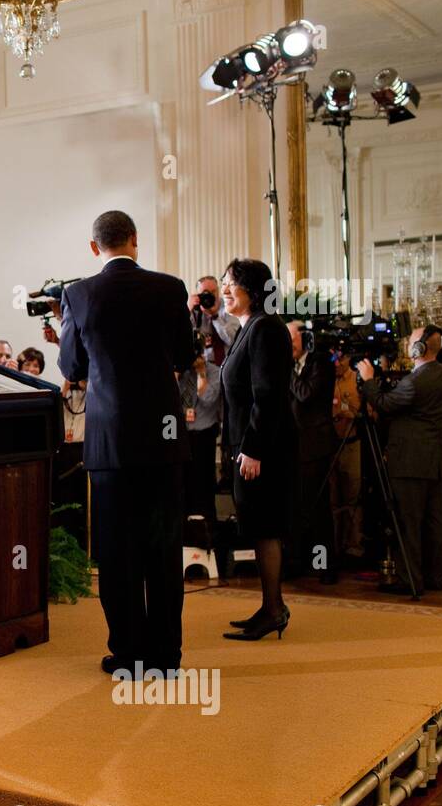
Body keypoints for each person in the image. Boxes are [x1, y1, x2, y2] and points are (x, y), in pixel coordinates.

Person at [57, 210, 193, 674]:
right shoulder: (171, 287)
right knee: (162, 549)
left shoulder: (76, 294)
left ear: (95, 248)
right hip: (163, 439)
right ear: (135, 241)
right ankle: (166, 655)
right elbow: (183, 355)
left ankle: (129, 654)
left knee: (117, 553)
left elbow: (71, 366)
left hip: (110, 442)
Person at [220, 258, 297, 641]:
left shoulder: (266, 328)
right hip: (247, 445)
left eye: (231, 282)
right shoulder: (248, 328)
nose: (224, 288)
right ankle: (270, 606)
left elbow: (266, 395)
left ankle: (274, 610)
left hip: (261, 447)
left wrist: (252, 448)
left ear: (252, 288)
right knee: (258, 525)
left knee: (266, 526)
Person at [357, 325, 442, 595]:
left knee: (408, 523)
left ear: (419, 349)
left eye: (411, 341)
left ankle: (410, 580)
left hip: (410, 461)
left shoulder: (414, 382)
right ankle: (435, 577)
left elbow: (384, 403)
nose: (406, 345)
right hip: (435, 459)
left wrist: (368, 380)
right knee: (436, 521)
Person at [287, 321, 339, 584]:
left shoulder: (321, 363)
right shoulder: (293, 367)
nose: (288, 346)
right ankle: (300, 561)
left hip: (316, 446)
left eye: (291, 340)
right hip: (293, 445)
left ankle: (327, 566)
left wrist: (286, 368)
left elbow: (305, 394)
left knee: (318, 506)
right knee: (297, 505)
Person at [178, 352, 221, 525]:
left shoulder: (214, 371)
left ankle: (206, 532)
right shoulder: (179, 372)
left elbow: (209, 398)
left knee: (203, 488)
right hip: (180, 435)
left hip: (204, 435)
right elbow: (168, 400)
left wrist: (202, 372)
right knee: (181, 487)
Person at [330, 353, 364, 562]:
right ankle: (333, 547)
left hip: (352, 444)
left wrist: (344, 409)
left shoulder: (358, 379)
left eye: (341, 360)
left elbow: (368, 412)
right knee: (331, 499)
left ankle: (354, 547)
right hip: (329, 446)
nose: (337, 364)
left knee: (353, 497)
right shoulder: (325, 378)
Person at [187, 276, 238, 366]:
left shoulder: (229, 307)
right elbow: (181, 341)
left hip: (229, 364)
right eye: (205, 293)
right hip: (203, 367)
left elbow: (233, 341)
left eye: (213, 292)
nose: (210, 296)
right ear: (198, 295)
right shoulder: (194, 312)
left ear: (218, 291)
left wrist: (215, 316)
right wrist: (187, 311)